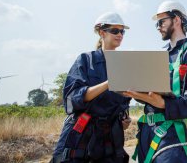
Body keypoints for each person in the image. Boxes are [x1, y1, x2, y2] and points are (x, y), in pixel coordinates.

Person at [124, 1, 187, 163]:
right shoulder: (158, 56)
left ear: (176, 19)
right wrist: (135, 92)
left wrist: (163, 103)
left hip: (170, 135)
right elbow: (148, 94)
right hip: (146, 133)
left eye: (161, 21)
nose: (157, 26)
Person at [51, 12, 132, 163]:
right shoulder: (85, 60)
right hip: (81, 136)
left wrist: (124, 120)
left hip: (109, 140)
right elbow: (72, 98)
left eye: (122, 31)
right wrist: (108, 83)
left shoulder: (124, 66)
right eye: (115, 30)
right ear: (102, 32)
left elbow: (123, 103)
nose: (120, 34)